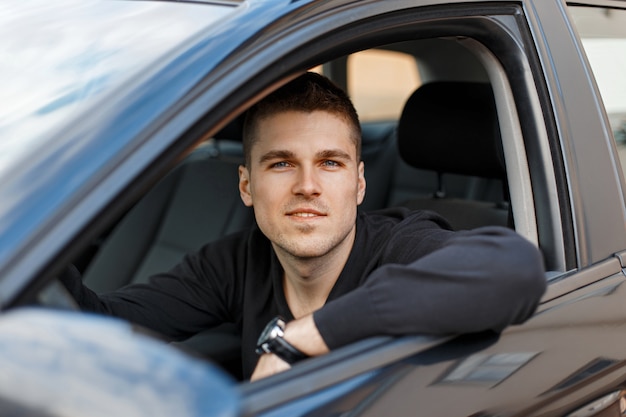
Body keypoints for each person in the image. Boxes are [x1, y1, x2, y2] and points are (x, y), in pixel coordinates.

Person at [60, 72, 547, 381]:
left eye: (330, 163)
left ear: (359, 183)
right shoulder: (235, 262)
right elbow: (98, 325)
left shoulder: (400, 244)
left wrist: (298, 338)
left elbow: (515, 270)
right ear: (247, 186)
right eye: (281, 164)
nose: (308, 186)